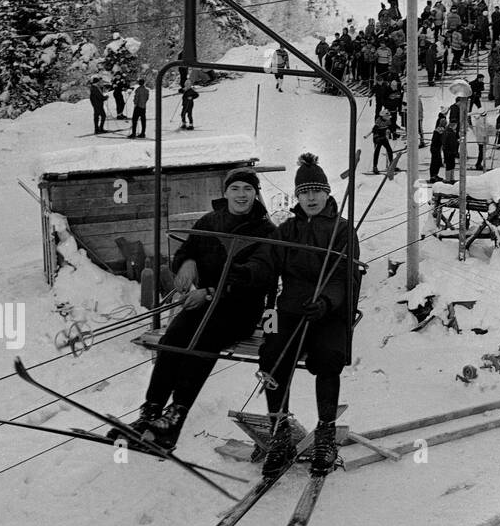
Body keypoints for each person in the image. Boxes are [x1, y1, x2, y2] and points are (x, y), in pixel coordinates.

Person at [122, 168, 277, 449]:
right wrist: (186, 263)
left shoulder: (266, 232)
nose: (241, 195)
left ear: (256, 194)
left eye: (248, 189)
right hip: (203, 305)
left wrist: (210, 293)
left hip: (240, 311)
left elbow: (258, 275)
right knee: (174, 337)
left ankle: (174, 419)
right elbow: (186, 251)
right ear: (226, 192)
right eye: (236, 188)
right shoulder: (209, 222)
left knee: (205, 339)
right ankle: (151, 411)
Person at [256, 155, 358, 477]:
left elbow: (346, 277)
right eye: (305, 192)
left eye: (317, 191)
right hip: (288, 308)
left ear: (327, 193)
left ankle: (325, 432)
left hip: (329, 310)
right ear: (297, 196)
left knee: (329, 356)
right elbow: (270, 274)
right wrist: (268, 318)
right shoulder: (286, 229)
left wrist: (327, 302)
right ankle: (280, 432)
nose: (311, 198)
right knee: (270, 353)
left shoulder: (342, 229)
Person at [371, 108, 395, 175]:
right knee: (377, 151)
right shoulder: (378, 121)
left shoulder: (388, 120)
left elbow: (390, 127)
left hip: (384, 137)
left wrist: (393, 132)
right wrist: (377, 136)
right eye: (387, 117)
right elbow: (375, 130)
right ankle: (375, 167)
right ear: (383, 116)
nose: (388, 118)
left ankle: (391, 164)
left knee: (389, 150)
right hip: (377, 138)